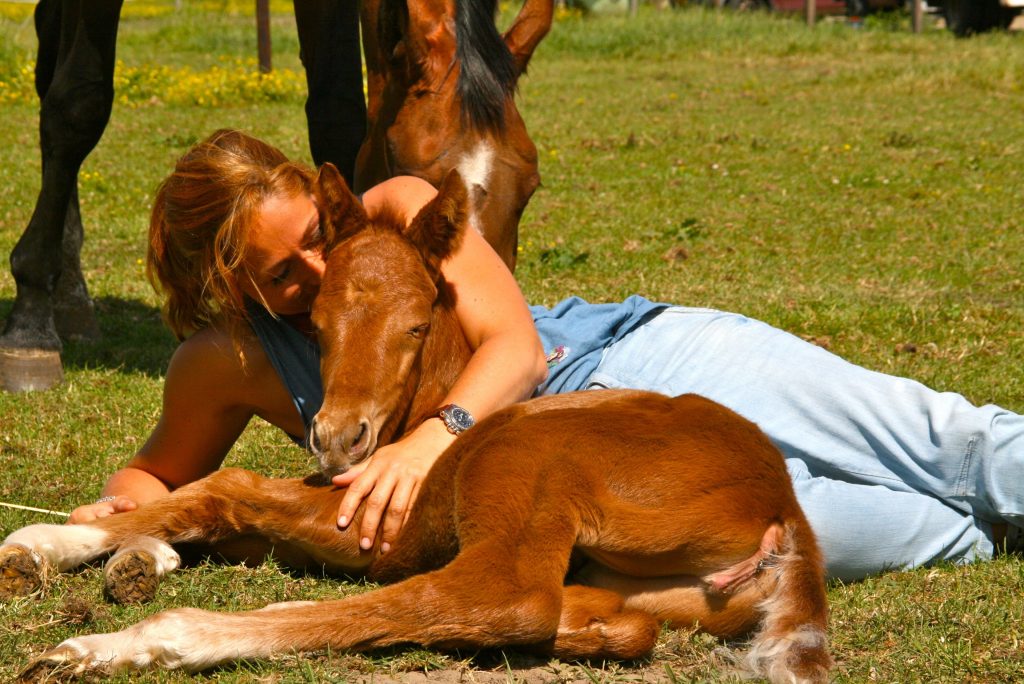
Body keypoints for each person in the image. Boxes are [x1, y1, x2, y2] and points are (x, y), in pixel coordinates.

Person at [70, 129, 1023, 582]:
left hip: (629, 357)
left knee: (948, 442)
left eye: (320, 232)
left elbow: (518, 348)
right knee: (840, 532)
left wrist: (427, 441)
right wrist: (126, 517)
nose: (323, 271)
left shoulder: (402, 208)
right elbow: (154, 470)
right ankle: (991, 531)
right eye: (284, 274)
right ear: (227, 286)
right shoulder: (225, 360)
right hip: (584, 474)